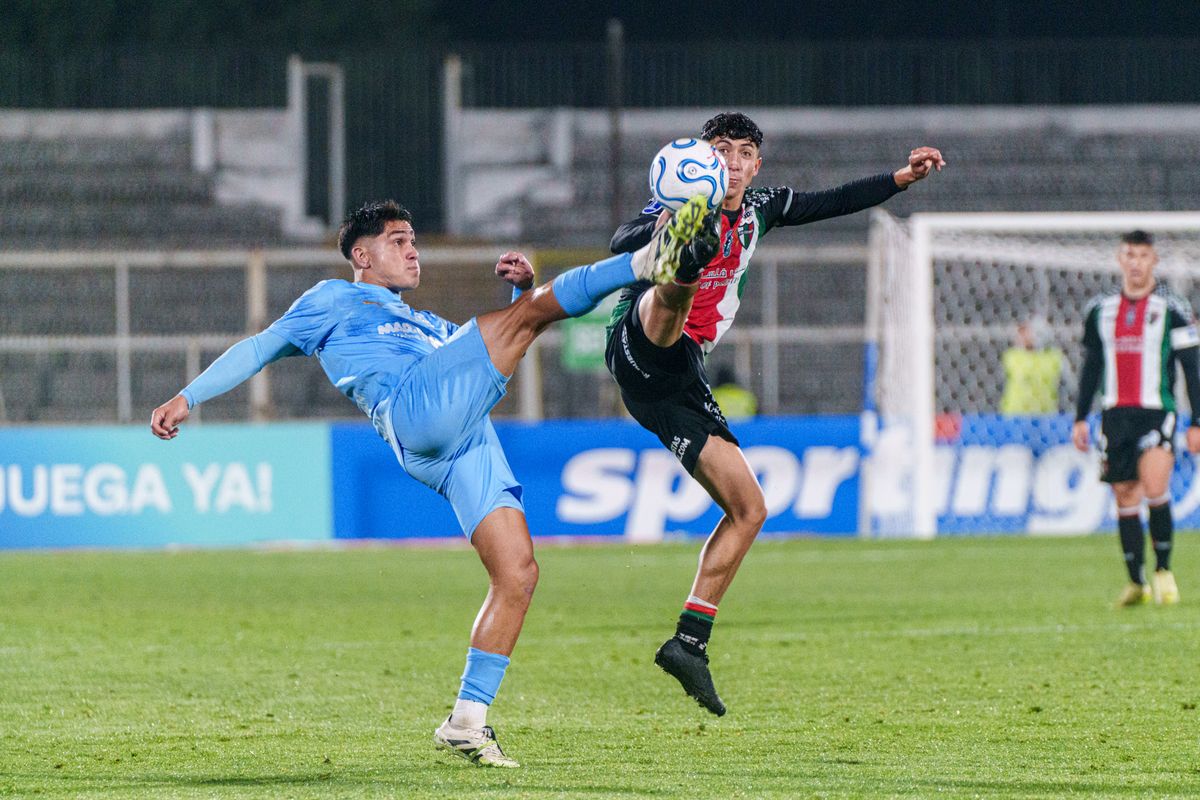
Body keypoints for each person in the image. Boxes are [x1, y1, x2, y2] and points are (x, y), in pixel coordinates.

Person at [149, 197, 709, 767]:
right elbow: (259, 347)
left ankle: (467, 720)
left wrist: (522, 297)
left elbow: (499, 349)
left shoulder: (425, 321)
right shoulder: (332, 298)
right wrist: (188, 396)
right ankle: (646, 262)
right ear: (362, 255)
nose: (413, 249)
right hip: (412, 410)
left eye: (414, 239)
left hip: (459, 437)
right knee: (527, 318)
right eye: (398, 241)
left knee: (517, 573)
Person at [606, 112, 944, 715]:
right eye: (720, 152)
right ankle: (682, 265)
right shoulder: (679, 206)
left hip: (676, 382)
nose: (731, 163)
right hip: (640, 342)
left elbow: (834, 200)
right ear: (701, 161)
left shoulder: (762, 207)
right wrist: (671, 230)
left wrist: (902, 178)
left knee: (750, 509)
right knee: (672, 289)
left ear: (756, 164)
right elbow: (619, 243)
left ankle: (689, 643)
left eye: (742, 153)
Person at [1072, 229, 1200, 608]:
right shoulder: (1099, 310)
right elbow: (1091, 368)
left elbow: (1192, 369)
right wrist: (1081, 417)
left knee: (1155, 486)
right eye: (1130, 254)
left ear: (1153, 261)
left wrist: (1197, 422)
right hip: (1115, 415)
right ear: (1120, 259)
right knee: (1124, 495)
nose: (1136, 262)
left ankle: (1163, 572)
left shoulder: (1174, 310)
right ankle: (1136, 581)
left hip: (1157, 412)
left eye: (1143, 255)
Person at [1000, 318, 1063, 415]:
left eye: (1026, 332)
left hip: (1045, 414)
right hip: (1015, 414)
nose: (1022, 336)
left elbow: (1067, 387)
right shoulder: (1012, 356)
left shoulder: (1054, 357)